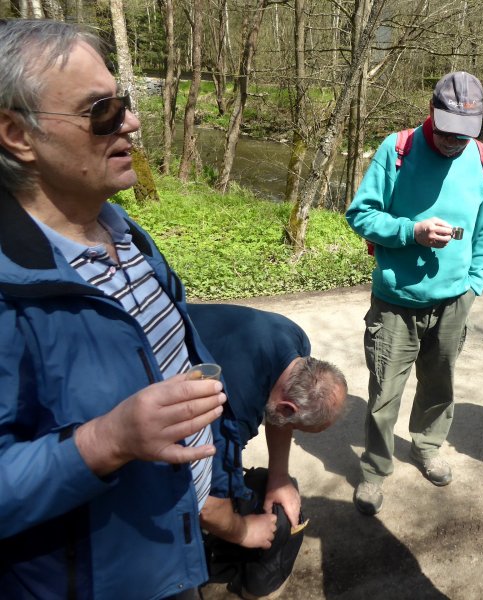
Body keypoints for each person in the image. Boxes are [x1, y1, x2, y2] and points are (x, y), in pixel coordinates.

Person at [0, 19, 248, 599]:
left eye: (126, 103)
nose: (131, 122)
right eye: (101, 110)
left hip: (173, 550)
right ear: (17, 134)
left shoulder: (124, 232)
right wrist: (107, 440)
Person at [345, 71, 483, 515]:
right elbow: (360, 215)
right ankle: (375, 471)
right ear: (432, 113)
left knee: (440, 384)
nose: (456, 142)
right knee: (384, 392)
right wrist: (410, 231)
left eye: (466, 134)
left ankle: (427, 446)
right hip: (396, 303)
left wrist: (474, 285)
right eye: (449, 131)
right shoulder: (397, 151)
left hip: (454, 303)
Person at [188, 304, 347, 599]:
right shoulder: (227, 417)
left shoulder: (293, 341)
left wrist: (279, 476)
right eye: (298, 426)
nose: (292, 429)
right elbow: (207, 507)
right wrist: (244, 531)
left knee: (275, 491)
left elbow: (281, 413)